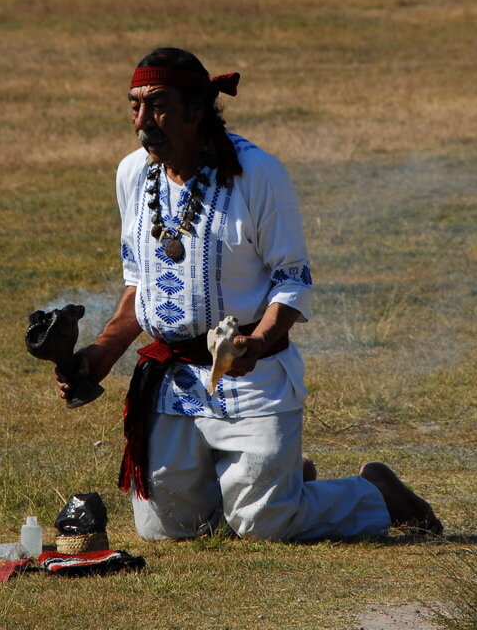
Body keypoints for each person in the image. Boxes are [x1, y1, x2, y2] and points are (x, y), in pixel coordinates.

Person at [58, 47, 442, 541]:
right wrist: (102, 353)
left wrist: (255, 343)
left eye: (158, 105)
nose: (142, 120)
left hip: (254, 376)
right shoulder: (133, 174)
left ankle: (374, 492)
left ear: (197, 110)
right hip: (174, 384)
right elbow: (140, 282)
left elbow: (292, 279)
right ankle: (281, 479)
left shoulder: (257, 174)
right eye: (134, 106)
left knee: (263, 525)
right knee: (169, 528)